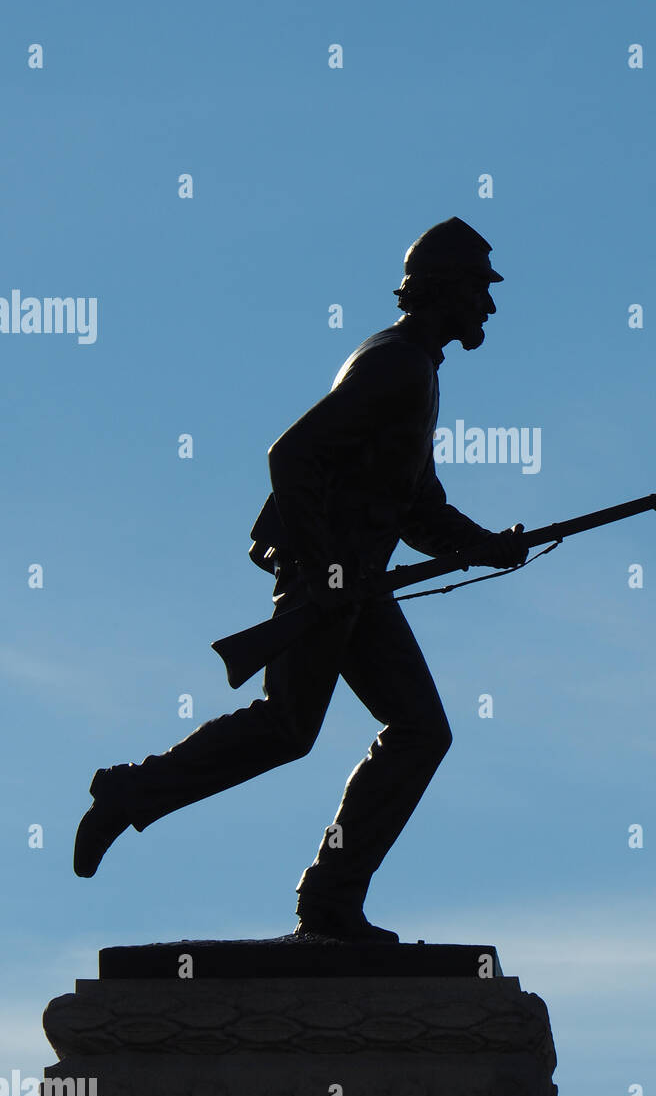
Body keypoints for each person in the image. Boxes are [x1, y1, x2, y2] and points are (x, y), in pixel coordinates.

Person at [73, 217, 529, 942]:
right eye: (480, 291)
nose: (489, 308)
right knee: (316, 727)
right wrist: (328, 570)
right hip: (333, 582)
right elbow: (290, 456)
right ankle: (155, 803)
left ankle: (327, 900)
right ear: (446, 290)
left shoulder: (416, 369)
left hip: (353, 586)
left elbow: (415, 506)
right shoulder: (396, 365)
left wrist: (487, 546)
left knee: (392, 730)